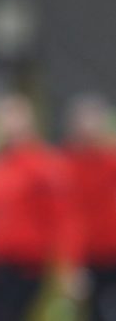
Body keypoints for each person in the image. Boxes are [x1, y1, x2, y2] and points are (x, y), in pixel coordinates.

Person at [0, 93, 81, 321]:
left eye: (10, 116)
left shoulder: (45, 164)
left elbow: (62, 220)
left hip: (24, 268)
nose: (4, 123)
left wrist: (67, 267)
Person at [62, 94, 116, 321]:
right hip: (88, 257)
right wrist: (72, 264)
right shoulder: (66, 164)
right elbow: (69, 217)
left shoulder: (111, 161)